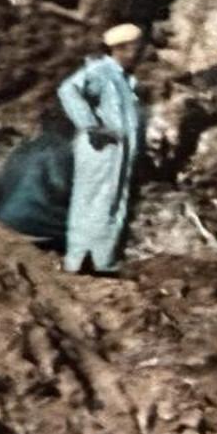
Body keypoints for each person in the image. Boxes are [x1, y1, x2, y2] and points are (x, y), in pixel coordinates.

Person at [56, 23, 145, 274]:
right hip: (101, 150)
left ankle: (100, 261)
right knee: (93, 201)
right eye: (136, 48)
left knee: (111, 203)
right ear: (122, 49)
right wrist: (91, 125)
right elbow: (68, 90)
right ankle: (80, 261)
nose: (140, 53)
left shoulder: (124, 79)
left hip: (118, 153)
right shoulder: (101, 70)